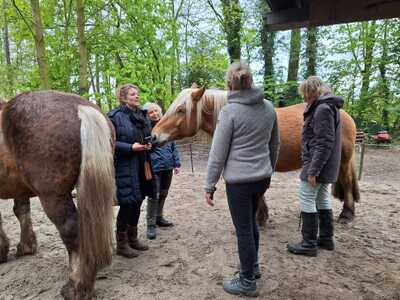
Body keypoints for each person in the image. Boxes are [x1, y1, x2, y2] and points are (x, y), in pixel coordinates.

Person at [204, 61, 280, 297]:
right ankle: (253, 268)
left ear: (230, 84)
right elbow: (275, 144)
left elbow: (218, 153)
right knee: (252, 223)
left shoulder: (229, 112)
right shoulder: (268, 108)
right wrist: (269, 168)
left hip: (239, 182)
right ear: (251, 80)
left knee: (244, 229)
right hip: (262, 178)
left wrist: (209, 184)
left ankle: (247, 281)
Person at [287, 76, 343, 257]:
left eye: (305, 94)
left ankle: (309, 243)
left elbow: (324, 143)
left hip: (318, 164)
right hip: (327, 165)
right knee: (322, 198)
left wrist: (313, 171)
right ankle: (326, 239)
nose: (304, 98)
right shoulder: (329, 106)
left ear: (312, 91)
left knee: (306, 196)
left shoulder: (322, 109)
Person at [108, 84, 155, 258]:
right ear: (123, 97)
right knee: (127, 203)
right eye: (133, 94)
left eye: (137, 93)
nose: (137, 96)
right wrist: (130, 147)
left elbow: (147, 135)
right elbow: (109, 143)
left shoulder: (142, 115)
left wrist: (149, 144)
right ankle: (121, 243)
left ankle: (132, 238)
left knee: (138, 200)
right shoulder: (114, 117)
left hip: (143, 163)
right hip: (125, 165)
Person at [143, 102, 181, 240]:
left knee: (164, 193)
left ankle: (159, 217)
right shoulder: (146, 128)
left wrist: (177, 163)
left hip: (168, 166)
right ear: (147, 115)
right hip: (154, 167)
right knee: (154, 195)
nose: (154, 114)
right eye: (150, 112)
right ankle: (151, 224)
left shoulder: (167, 126)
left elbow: (173, 146)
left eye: (155, 111)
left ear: (160, 111)